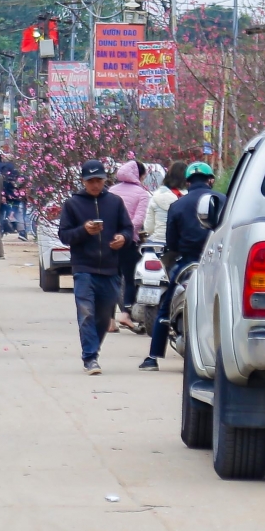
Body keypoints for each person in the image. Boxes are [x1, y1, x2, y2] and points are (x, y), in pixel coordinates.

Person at [58, 159, 137, 376]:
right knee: (86, 313)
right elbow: (64, 235)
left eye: (99, 180)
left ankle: (94, 349)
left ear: (105, 180)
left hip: (111, 269)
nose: (95, 185)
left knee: (103, 317)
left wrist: (123, 238)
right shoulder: (72, 205)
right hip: (84, 268)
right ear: (83, 181)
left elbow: (128, 230)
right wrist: (84, 231)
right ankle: (90, 357)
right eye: (90, 181)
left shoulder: (115, 202)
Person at [141, 161, 216, 371]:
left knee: (165, 307)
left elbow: (171, 243)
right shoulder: (224, 200)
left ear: (189, 182)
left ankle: (153, 357)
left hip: (187, 261)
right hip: (217, 263)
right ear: (210, 180)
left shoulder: (178, 205)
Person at [108, 160, 151, 327]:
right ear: (139, 175)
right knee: (130, 278)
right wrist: (126, 234)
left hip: (110, 241)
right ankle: (125, 313)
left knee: (112, 278)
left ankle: (110, 320)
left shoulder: (111, 191)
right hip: (128, 241)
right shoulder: (141, 193)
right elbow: (139, 220)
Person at [147, 162, 186, 241]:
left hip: (158, 243)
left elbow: (149, 228)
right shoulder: (189, 197)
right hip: (181, 244)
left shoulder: (156, 196)